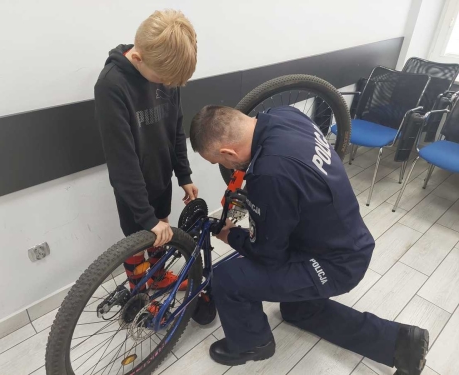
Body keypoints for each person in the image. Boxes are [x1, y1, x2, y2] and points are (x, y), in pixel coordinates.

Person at [189, 105, 429, 375]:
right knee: (297, 311)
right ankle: (401, 343)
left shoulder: (269, 175)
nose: (226, 167)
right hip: (347, 239)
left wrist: (231, 235)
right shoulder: (284, 116)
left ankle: (251, 344)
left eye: (220, 162)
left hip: (334, 263)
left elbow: (267, 254)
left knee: (228, 277)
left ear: (228, 153)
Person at [95, 10, 198, 291]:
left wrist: (184, 175)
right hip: (132, 187)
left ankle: (157, 275)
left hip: (161, 174)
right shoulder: (111, 85)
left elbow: (176, 128)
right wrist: (146, 217)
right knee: (137, 239)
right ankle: (138, 288)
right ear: (138, 59)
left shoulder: (166, 72)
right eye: (163, 80)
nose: (167, 86)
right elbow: (121, 160)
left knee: (161, 231)